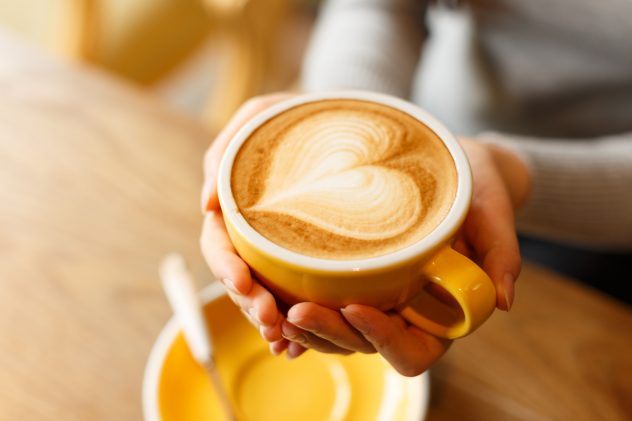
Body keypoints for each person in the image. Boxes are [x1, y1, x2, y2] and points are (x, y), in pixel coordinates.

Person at [200, 0, 632, 376]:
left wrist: (515, 171)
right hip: (422, 128)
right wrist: (346, 111)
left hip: (605, 224)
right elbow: (375, 5)